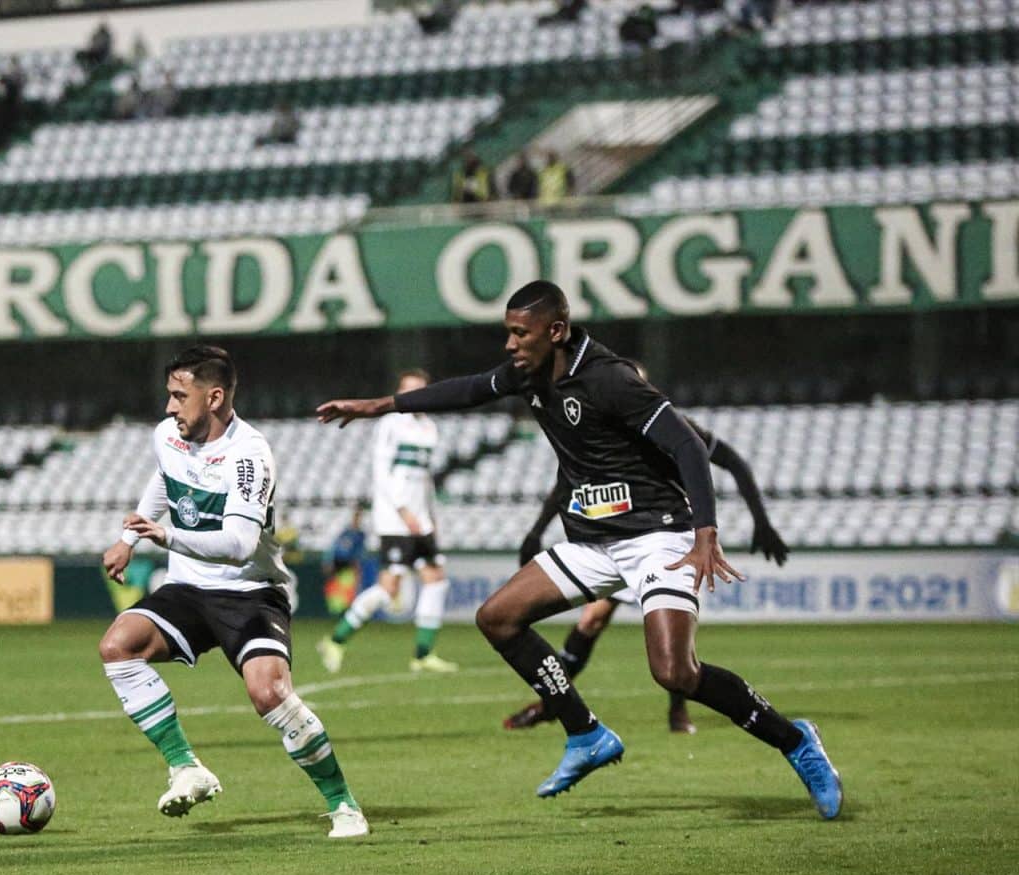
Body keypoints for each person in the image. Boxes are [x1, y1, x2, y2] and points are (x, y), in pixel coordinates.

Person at [316, 280, 843, 820]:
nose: (510, 344)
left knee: (675, 673)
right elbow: (469, 389)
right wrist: (380, 406)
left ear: (557, 331)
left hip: (657, 537)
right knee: (497, 618)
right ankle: (585, 733)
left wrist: (706, 532)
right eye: (508, 333)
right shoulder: (528, 374)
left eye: (521, 333)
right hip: (593, 542)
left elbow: (688, 445)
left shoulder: (609, 379)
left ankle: (796, 740)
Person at [101, 345, 369, 839]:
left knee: (268, 693)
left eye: (180, 397)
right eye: (169, 395)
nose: (169, 407)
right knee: (118, 647)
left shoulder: (250, 455)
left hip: (249, 591)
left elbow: (241, 545)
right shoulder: (169, 436)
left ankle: (343, 804)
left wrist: (167, 537)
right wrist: (129, 539)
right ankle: (186, 767)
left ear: (215, 397)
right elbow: (164, 479)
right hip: (186, 586)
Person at [507, 390, 792, 733]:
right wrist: (536, 530)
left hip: (664, 539)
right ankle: (552, 705)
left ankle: (678, 712)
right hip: (616, 541)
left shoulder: (673, 427)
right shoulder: (597, 437)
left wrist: (761, 521)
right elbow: (565, 487)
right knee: (591, 622)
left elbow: (733, 462)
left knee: (672, 642)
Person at [318, 369, 459, 676]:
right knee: (388, 589)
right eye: (407, 390)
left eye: (418, 390)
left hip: (420, 519)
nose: (412, 397)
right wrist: (404, 511)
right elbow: (382, 474)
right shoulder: (390, 424)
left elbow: (424, 481)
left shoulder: (429, 428)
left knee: (436, 581)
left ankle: (423, 654)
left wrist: (430, 517)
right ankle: (336, 639)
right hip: (395, 519)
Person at [322, 505, 369, 616]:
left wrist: (357, 565)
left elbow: (359, 551)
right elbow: (335, 546)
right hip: (338, 562)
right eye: (355, 517)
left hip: (350, 564)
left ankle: (347, 609)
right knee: (336, 586)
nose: (356, 520)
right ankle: (335, 609)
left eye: (358, 517)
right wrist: (328, 560)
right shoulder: (345, 532)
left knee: (349, 586)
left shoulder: (360, 534)